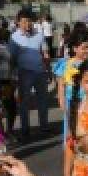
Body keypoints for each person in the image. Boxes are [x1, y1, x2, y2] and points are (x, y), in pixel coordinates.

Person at [9, 10, 51, 140]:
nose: (27, 23)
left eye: (29, 21)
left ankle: (44, 127)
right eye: (24, 21)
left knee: (43, 101)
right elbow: (12, 58)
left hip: (40, 72)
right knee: (24, 103)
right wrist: (13, 76)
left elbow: (45, 53)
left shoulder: (39, 35)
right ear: (18, 22)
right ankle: (25, 129)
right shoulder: (14, 37)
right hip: (24, 73)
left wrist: (48, 69)